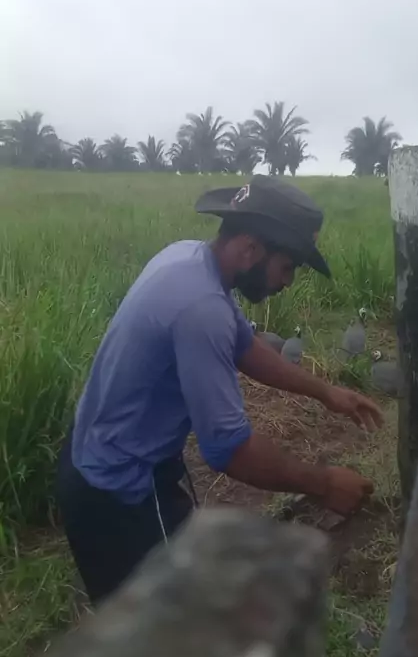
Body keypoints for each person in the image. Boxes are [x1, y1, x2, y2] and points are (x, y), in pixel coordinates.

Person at [57, 175, 383, 605]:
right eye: (287, 267)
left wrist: (325, 392)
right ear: (250, 249)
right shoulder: (201, 308)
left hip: (106, 455)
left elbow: (243, 345)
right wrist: (325, 484)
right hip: (119, 490)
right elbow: (230, 450)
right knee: (158, 626)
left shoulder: (189, 258)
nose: (287, 282)